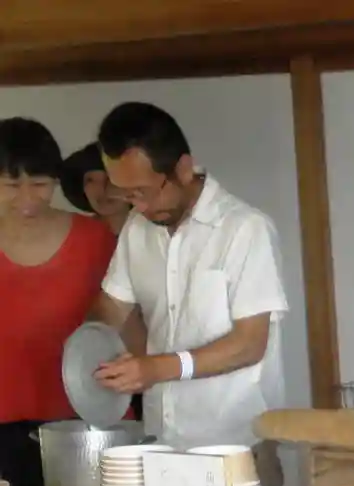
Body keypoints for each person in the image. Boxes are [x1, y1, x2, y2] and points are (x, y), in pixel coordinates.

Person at [90, 102, 289, 453]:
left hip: (238, 442)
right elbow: (112, 306)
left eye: (144, 191)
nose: (138, 206)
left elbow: (249, 343)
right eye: (126, 194)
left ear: (183, 168)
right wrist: (88, 347)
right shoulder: (138, 228)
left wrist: (157, 368)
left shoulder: (244, 229)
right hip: (161, 437)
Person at [0, 118, 118, 486]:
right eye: (11, 185)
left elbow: (126, 330)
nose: (26, 198)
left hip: (84, 422)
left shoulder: (96, 239)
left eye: (39, 183)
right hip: (3, 421)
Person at [59, 143, 130, 235]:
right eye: (90, 180)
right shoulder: (68, 235)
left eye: (109, 178)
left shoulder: (147, 231)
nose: (102, 188)